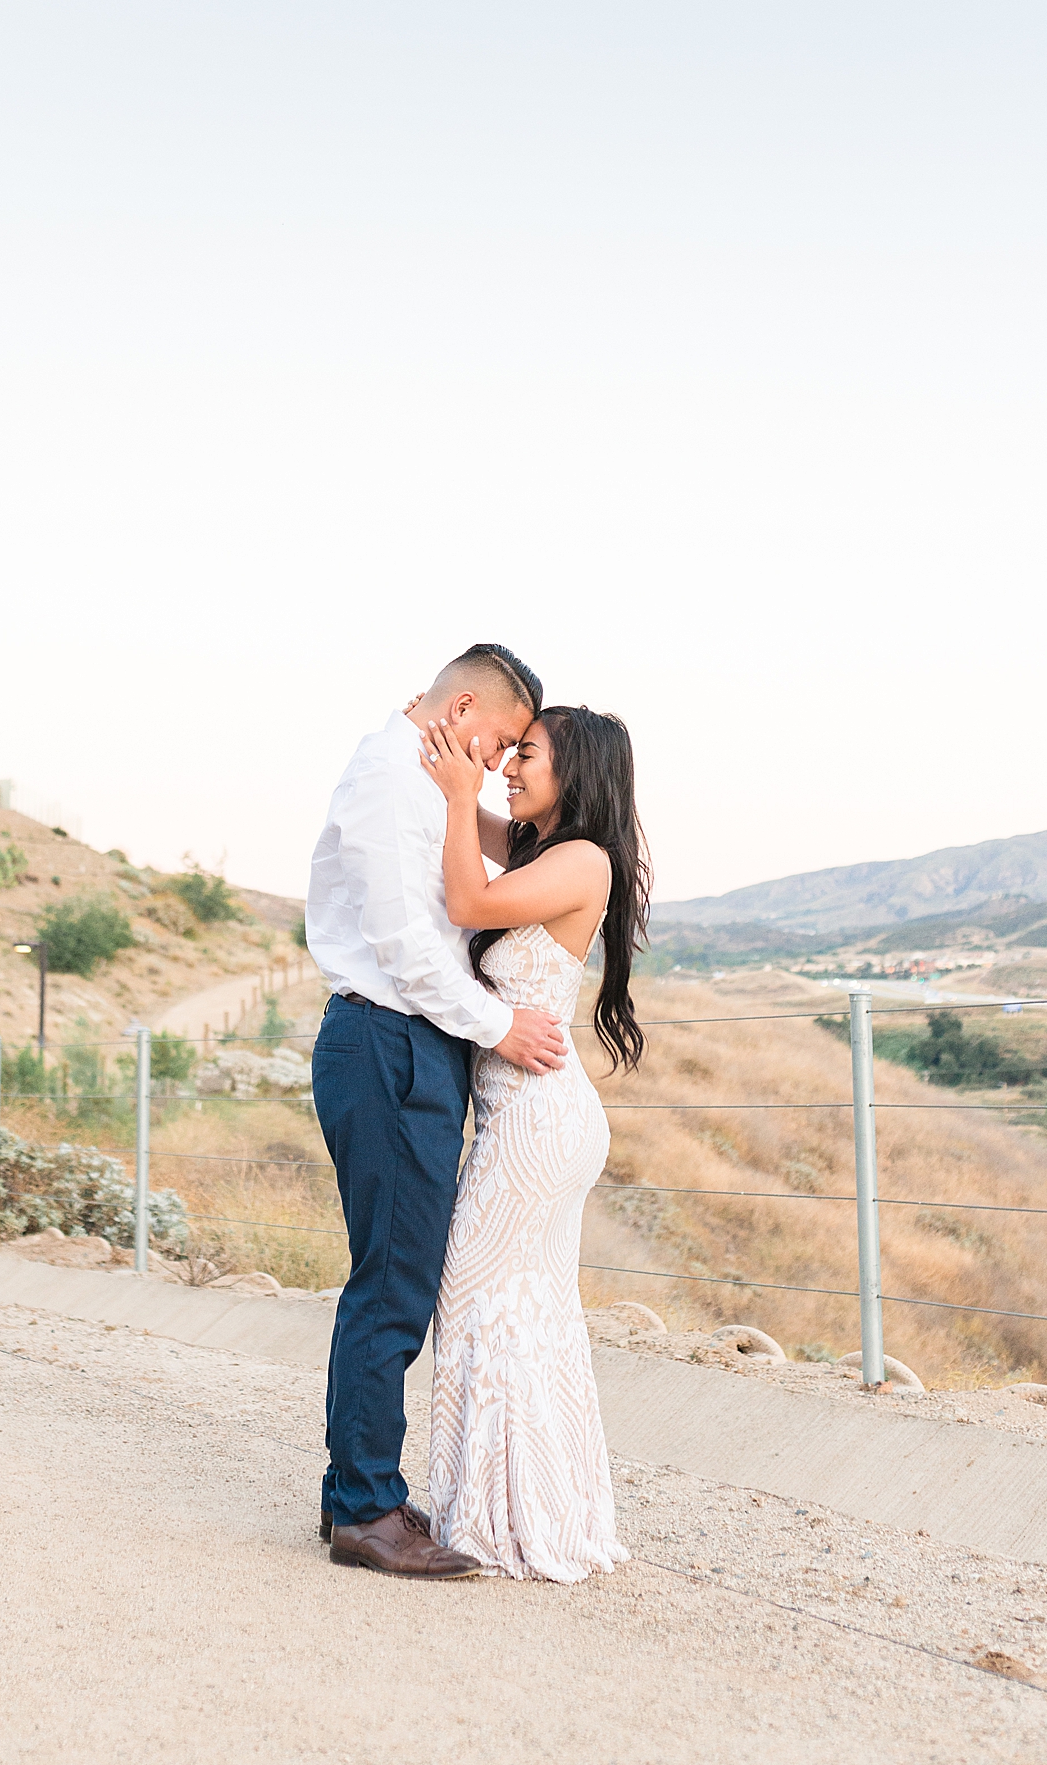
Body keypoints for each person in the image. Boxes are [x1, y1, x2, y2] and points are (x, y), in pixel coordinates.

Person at [306, 643, 568, 1580]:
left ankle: (358, 1491)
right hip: (387, 1042)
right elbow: (410, 952)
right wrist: (501, 1026)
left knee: (395, 1276)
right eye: (500, 741)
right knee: (392, 1285)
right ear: (460, 709)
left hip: (411, 1045)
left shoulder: (426, 785)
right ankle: (366, 1510)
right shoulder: (387, 780)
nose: (499, 764)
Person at [419, 702, 649, 1582]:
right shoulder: (538, 849)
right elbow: (458, 809)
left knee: (475, 1295)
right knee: (524, 1315)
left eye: (529, 754)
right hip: (525, 1112)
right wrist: (447, 762)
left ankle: (496, 1517)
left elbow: (466, 897)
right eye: (511, 752)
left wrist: (454, 797)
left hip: (538, 1117)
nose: (510, 766)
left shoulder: (581, 860)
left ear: (576, 769)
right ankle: (540, 1506)